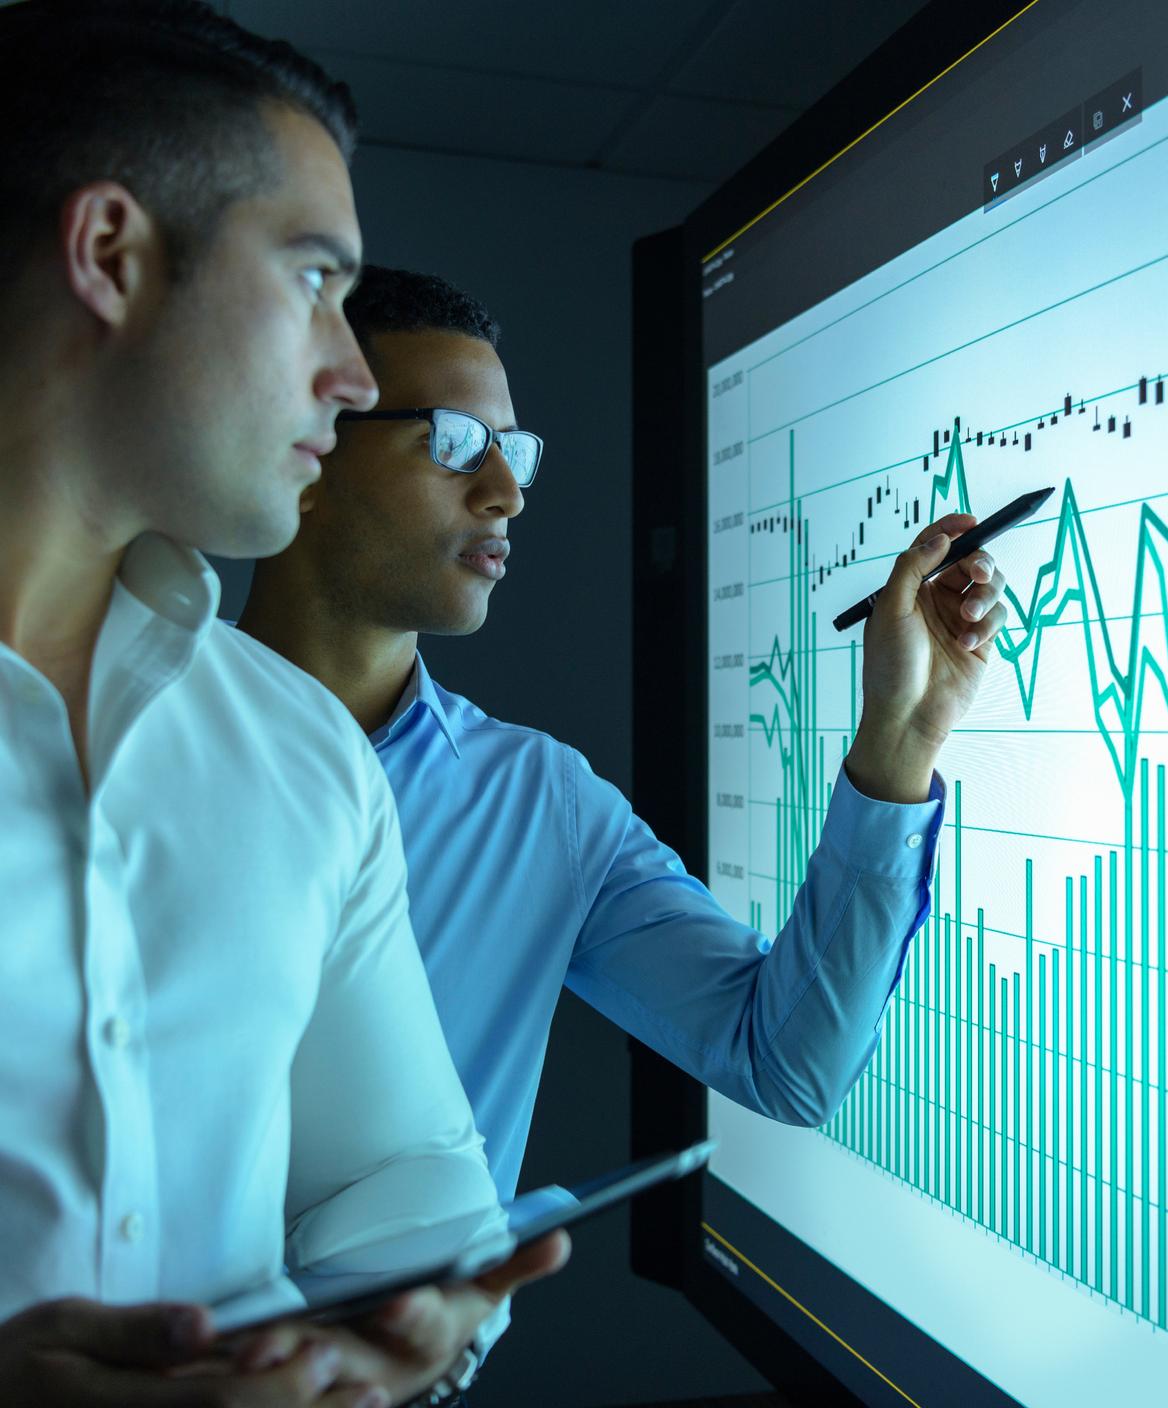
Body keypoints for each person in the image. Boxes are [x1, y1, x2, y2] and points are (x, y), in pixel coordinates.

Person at [0, 6, 563, 1405]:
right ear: (111, 255)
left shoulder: (302, 752)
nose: (354, 374)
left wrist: (421, 1321)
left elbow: (399, 1166)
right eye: (316, 279)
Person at [239, 265, 1011, 1208]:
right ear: (306, 449)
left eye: (513, 453)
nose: (506, 493)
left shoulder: (543, 807)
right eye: (455, 443)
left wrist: (899, 739)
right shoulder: (113, 740)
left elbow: (788, 1065)